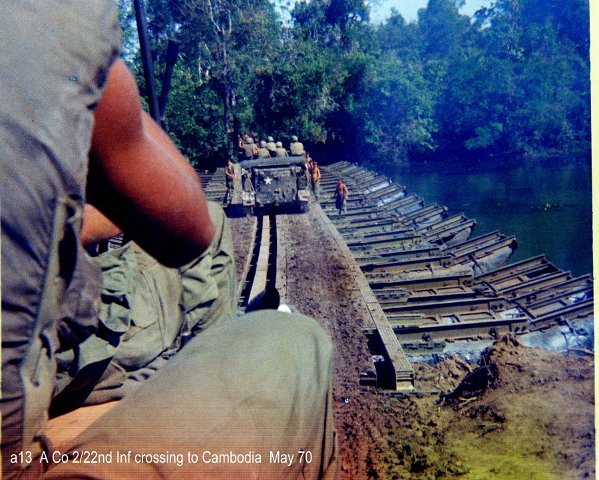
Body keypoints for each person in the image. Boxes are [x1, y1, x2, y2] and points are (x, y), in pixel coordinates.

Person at [0, 3, 337, 479]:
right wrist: (107, 83)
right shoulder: (53, 24)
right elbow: (189, 229)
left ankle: (158, 385)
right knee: (298, 342)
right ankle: (204, 384)